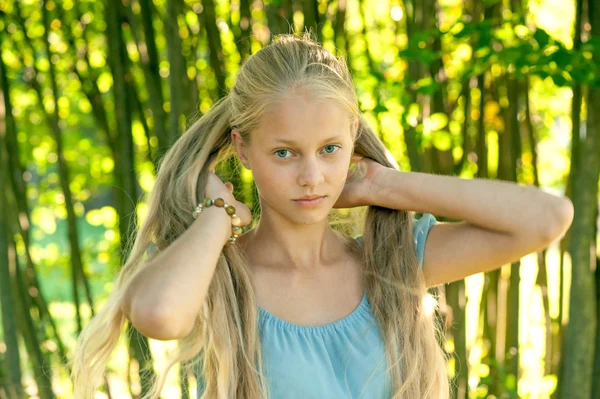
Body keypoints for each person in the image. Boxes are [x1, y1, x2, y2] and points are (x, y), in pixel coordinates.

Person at [70, 32, 574, 399]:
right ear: (243, 151)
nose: (312, 177)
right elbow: (158, 314)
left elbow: (547, 217)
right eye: (285, 153)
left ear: (352, 140)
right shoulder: (220, 276)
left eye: (329, 149)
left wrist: (386, 183)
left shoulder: (392, 264)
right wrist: (219, 213)